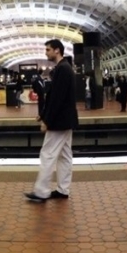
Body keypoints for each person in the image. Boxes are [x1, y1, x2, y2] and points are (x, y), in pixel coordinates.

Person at [25, 40, 78, 202]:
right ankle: (63, 190)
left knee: (47, 154)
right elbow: (54, 97)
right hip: (66, 120)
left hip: (59, 122)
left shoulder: (62, 69)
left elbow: (57, 99)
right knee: (65, 155)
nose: (45, 52)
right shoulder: (64, 68)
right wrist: (43, 114)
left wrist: (47, 120)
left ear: (57, 50)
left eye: (48, 50)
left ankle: (41, 192)